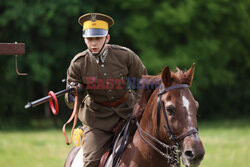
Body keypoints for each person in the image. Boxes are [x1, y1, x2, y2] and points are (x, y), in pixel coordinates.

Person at [65, 13, 147, 167]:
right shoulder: (78, 63)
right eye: (90, 39)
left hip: (128, 114)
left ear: (107, 38)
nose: (93, 43)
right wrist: (73, 94)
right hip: (97, 120)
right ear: (84, 39)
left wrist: (138, 108)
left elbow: (142, 84)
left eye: (98, 38)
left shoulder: (126, 56)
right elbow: (71, 104)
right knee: (90, 162)